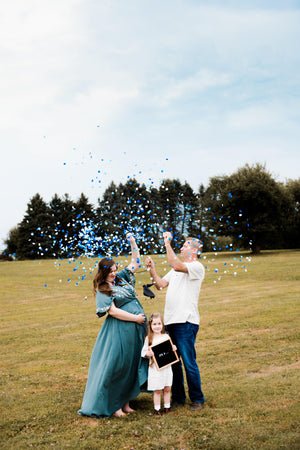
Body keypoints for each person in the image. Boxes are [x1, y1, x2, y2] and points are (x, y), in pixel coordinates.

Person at [78, 233, 148, 418]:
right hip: (120, 330)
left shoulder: (120, 279)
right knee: (118, 366)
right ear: (103, 272)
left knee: (132, 363)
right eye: (111, 271)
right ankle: (114, 405)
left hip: (135, 329)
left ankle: (126, 403)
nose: (114, 273)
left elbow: (136, 262)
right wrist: (135, 319)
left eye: (115, 269)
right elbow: (113, 311)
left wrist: (133, 242)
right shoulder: (103, 287)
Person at [146, 232, 205, 411]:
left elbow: (176, 264)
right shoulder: (176, 269)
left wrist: (167, 243)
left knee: (188, 361)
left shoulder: (196, 266)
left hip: (186, 322)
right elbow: (160, 284)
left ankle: (197, 399)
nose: (181, 247)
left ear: (195, 249)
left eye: (186, 245)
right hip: (170, 322)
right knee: (173, 363)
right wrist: (152, 269)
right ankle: (178, 398)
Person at [141, 312, 177, 416]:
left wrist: (174, 348)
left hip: (166, 367)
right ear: (150, 325)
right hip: (155, 369)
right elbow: (143, 352)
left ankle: (167, 406)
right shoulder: (149, 339)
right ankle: (157, 409)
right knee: (157, 390)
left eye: (159, 324)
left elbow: (171, 349)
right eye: (154, 324)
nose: (157, 327)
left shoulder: (166, 336)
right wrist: (149, 353)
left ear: (163, 324)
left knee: (167, 388)